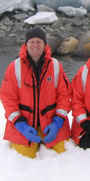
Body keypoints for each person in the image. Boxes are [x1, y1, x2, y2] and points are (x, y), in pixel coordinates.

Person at [0, 27, 72, 158]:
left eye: (39, 41)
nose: (35, 45)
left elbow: (65, 95)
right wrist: (20, 124)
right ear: (26, 44)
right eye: (31, 42)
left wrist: (58, 122)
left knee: (63, 152)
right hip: (25, 123)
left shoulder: (55, 65)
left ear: (45, 44)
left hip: (51, 121)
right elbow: (7, 98)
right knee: (24, 156)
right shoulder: (14, 67)